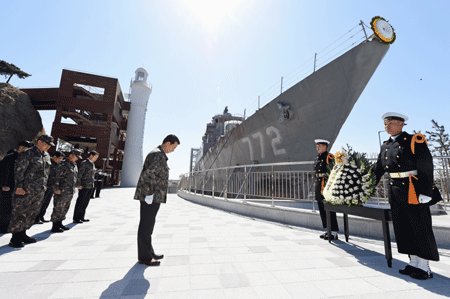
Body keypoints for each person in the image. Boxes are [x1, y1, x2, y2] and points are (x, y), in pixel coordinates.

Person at [374, 112, 439, 280]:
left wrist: (426, 192)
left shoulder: (414, 140)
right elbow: (378, 169)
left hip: (413, 191)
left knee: (419, 226)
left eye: (389, 122)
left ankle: (424, 267)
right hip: (395, 192)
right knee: (404, 228)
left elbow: (426, 166)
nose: (386, 126)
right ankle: (413, 263)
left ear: (401, 124)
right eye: (385, 123)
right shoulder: (386, 145)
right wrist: (365, 186)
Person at [134, 134, 180, 266]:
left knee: (149, 225)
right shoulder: (157, 155)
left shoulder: (159, 154)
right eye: (174, 147)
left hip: (153, 196)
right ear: (167, 143)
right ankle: (144, 257)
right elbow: (148, 175)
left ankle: (149, 252)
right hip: (150, 196)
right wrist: (149, 194)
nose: (173, 150)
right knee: (146, 226)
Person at [8, 135, 54, 248]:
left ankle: (23, 234)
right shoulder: (27, 153)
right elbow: (19, 170)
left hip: (38, 190)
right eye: (46, 144)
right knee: (20, 213)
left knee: (31, 213)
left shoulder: (47, 156)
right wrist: (19, 186)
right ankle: (15, 238)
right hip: (25, 189)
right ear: (39, 141)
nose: (47, 146)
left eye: (49, 145)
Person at [0, 141, 33, 233]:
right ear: (20, 147)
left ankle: (11, 226)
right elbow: (2, 172)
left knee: (15, 208)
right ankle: (3, 227)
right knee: (6, 208)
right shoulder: (9, 157)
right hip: (8, 187)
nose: (25, 150)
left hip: (19, 187)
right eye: (24, 147)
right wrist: (3, 185)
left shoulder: (26, 158)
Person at [50, 149, 81, 232]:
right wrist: (56, 188)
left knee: (65, 208)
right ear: (71, 155)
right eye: (76, 157)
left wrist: (76, 186)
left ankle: (60, 223)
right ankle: (55, 226)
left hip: (69, 191)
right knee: (58, 208)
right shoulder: (63, 164)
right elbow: (56, 177)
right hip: (61, 190)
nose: (77, 159)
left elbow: (74, 177)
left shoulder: (74, 165)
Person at [314, 139, 339, 240]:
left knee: (330, 209)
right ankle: (326, 230)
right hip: (319, 184)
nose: (317, 147)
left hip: (327, 185)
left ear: (325, 146)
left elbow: (334, 172)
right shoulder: (318, 158)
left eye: (319, 145)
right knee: (321, 208)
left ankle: (334, 232)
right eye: (317, 146)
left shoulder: (329, 157)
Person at [35, 151, 65, 224]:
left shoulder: (58, 165)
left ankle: (41, 216)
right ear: (54, 157)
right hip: (45, 186)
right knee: (40, 202)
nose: (60, 160)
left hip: (52, 186)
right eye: (59, 158)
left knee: (46, 203)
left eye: (61, 159)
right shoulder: (48, 163)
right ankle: (36, 218)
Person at [73, 150, 99, 223]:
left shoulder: (92, 164)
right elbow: (79, 174)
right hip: (83, 185)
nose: (96, 159)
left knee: (85, 202)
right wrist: (78, 184)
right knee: (80, 202)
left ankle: (81, 217)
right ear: (91, 155)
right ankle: (76, 218)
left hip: (90, 186)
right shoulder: (84, 163)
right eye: (95, 157)